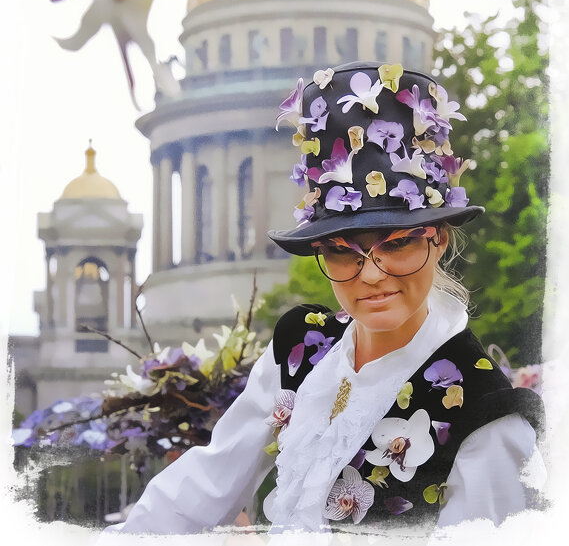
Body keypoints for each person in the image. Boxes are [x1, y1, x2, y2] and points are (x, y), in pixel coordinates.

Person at [101, 61, 544, 536]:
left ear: (436, 239)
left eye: (396, 245)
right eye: (341, 251)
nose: (371, 275)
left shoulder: (487, 417)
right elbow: (203, 487)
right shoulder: (303, 347)